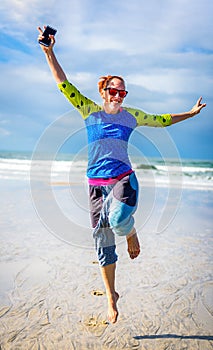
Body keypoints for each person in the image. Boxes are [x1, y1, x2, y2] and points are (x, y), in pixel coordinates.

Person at [37, 26, 206, 324]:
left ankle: (130, 230)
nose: (117, 95)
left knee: (117, 221)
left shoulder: (132, 116)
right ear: (103, 93)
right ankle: (111, 296)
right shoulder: (89, 110)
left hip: (123, 180)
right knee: (102, 245)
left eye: (121, 91)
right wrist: (50, 52)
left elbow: (162, 120)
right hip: (95, 187)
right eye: (112, 90)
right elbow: (64, 84)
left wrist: (190, 114)